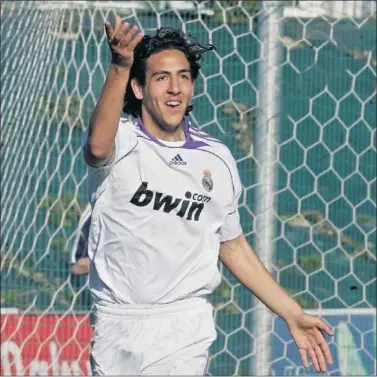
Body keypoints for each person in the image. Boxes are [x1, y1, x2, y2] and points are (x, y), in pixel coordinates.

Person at [82, 17, 334, 376]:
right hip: (116, 321)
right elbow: (96, 147)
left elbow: (231, 245)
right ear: (138, 88)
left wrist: (291, 313)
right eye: (162, 77)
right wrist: (121, 65)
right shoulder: (121, 141)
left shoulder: (215, 159)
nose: (175, 88)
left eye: (183, 77)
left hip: (183, 323)